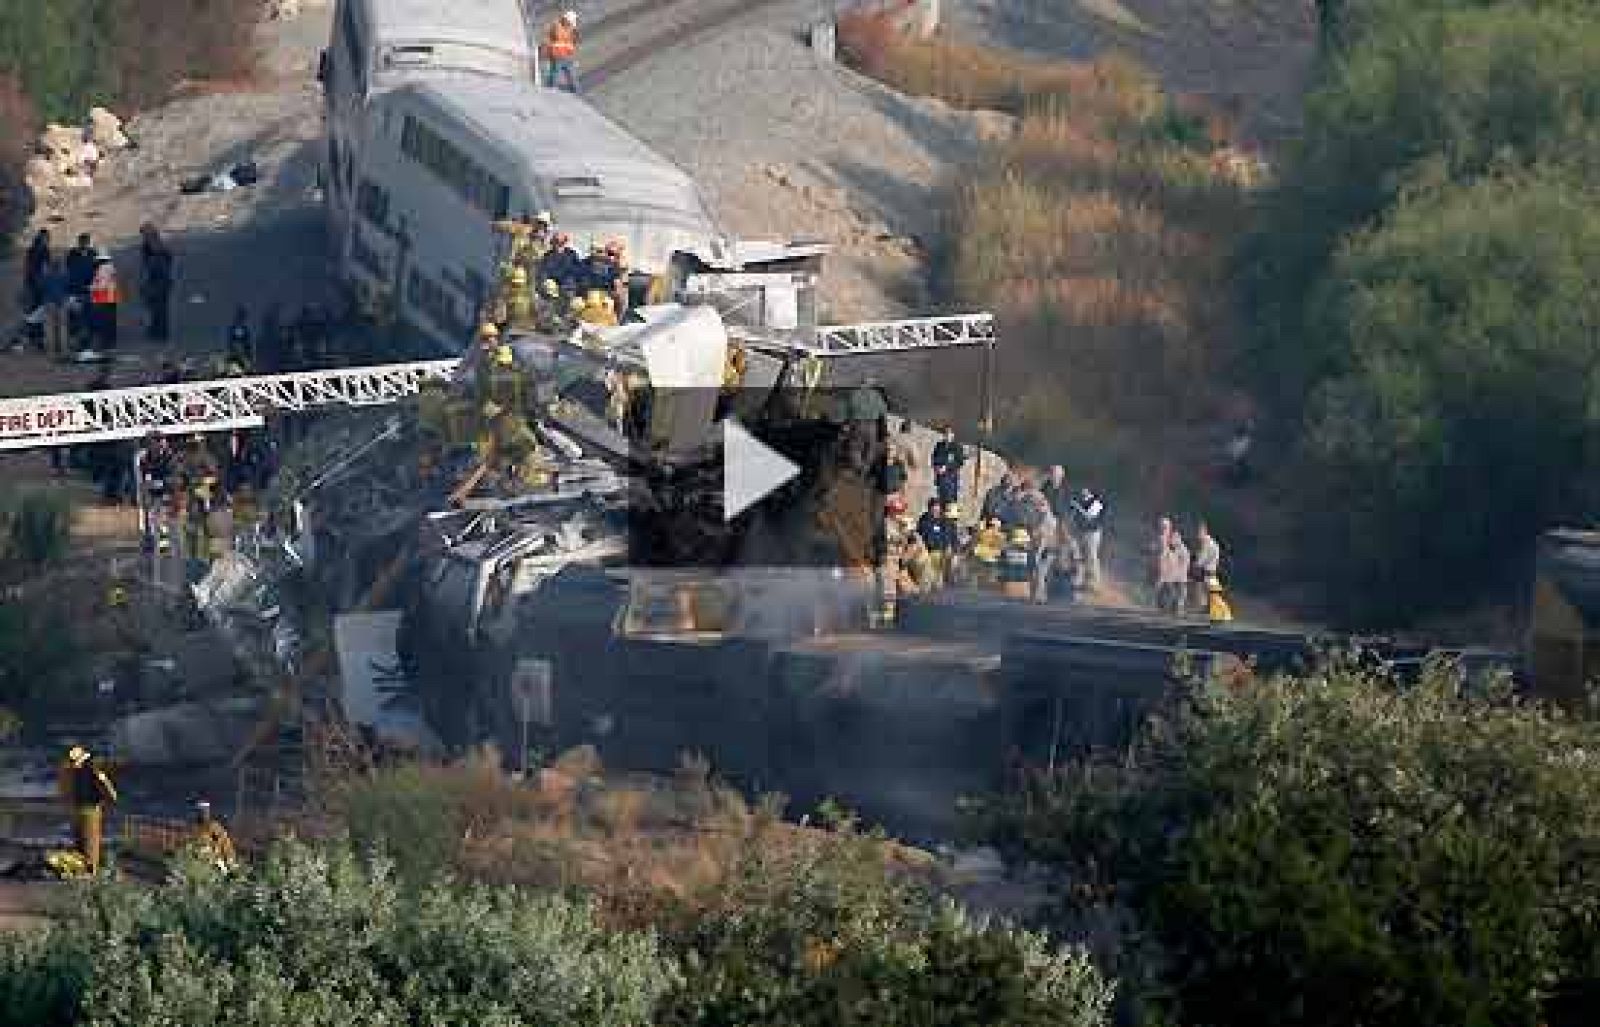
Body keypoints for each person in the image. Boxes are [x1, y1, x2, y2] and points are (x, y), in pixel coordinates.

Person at [57, 745, 118, 874]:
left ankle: (80, 871)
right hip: (90, 811)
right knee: (90, 845)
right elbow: (111, 794)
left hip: (75, 810)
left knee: (79, 843)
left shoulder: (68, 771)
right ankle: (88, 873)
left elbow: (64, 791)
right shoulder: (93, 772)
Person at [139, 223, 174, 341]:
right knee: (157, 308)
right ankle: (158, 331)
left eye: (144, 234)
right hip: (159, 281)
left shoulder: (155, 247)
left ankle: (159, 332)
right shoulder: (156, 246)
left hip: (159, 281)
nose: (144, 237)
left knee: (158, 308)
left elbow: (153, 266)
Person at [1071, 486, 1105, 592]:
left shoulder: (1097, 502)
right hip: (1080, 531)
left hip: (1092, 532)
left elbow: (1089, 516)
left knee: (1091, 557)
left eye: (1085, 489)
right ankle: (1080, 581)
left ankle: (1094, 583)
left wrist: (1077, 507)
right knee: (1079, 556)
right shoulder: (1081, 501)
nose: (1082, 491)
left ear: (1090, 492)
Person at [186, 800, 238, 869]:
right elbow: (191, 844)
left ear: (208, 812)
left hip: (215, 861)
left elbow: (225, 843)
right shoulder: (194, 828)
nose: (201, 814)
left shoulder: (214, 827)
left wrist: (229, 860)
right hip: (199, 861)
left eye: (204, 812)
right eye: (199, 812)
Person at [65, 232, 97, 341]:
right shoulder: (72, 253)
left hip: (89, 288)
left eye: (86, 242)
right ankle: (75, 334)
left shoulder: (93, 253)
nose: (84, 244)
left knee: (89, 312)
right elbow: (68, 269)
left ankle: (89, 335)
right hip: (75, 288)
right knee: (75, 313)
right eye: (82, 242)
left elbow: (96, 269)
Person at [1155, 516, 1190, 614]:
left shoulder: (1175, 540)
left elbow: (1174, 553)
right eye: (1162, 526)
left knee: (1175, 587)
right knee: (1165, 587)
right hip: (1167, 565)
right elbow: (1164, 551)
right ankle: (1168, 606)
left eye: (1165, 526)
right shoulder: (1163, 538)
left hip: (1173, 567)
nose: (1163, 528)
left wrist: (1174, 565)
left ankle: (1176, 606)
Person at [87, 251, 120, 350]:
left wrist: (91, 288)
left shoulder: (102, 270)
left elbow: (100, 286)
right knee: (111, 320)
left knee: (103, 322)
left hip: (102, 299)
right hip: (111, 298)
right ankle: (111, 341)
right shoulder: (111, 269)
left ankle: (105, 343)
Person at [40, 256, 70, 361]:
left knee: (49, 328)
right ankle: (64, 351)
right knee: (63, 328)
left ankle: (51, 352)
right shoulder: (64, 276)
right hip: (62, 302)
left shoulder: (46, 276)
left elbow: (41, 288)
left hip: (49, 303)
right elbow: (68, 287)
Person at [543, 10, 580, 93]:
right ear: (566, 20)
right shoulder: (556, 26)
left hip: (566, 55)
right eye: (570, 22)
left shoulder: (571, 28)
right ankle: (550, 90)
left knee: (570, 75)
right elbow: (554, 38)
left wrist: (571, 51)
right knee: (555, 74)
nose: (571, 24)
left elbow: (572, 41)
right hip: (557, 55)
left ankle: (574, 91)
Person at [1190, 520, 1222, 613]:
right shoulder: (1210, 542)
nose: (1198, 535)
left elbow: (1203, 558)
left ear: (1204, 531)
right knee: (1208, 590)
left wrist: (1196, 564)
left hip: (1208, 570)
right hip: (1210, 570)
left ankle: (1208, 608)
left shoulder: (1208, 543)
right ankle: (1208, 608)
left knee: (1206, 590)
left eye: (1199, 532)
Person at [931, 426, 965, 505]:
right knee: (940, 500)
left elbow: (960, 462)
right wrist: (936, 467)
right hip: (940, 479)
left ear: (953, 435)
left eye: (949, 434)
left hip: (951, 480)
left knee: (950, 503)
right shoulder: (939, 445)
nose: (947, 436)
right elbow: (934, 458)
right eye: (945, 434)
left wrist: (946, 467)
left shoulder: (957, 447)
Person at [23, 228, 50, 314]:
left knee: (35, 299)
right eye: (46, 237)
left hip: (34, 277)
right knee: (36, 300)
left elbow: (28, 264)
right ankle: (32, 317)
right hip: (36, 277)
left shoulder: (35, 249)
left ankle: (32, 316)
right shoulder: (41, 249)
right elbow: (45, 265)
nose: (47, 239)